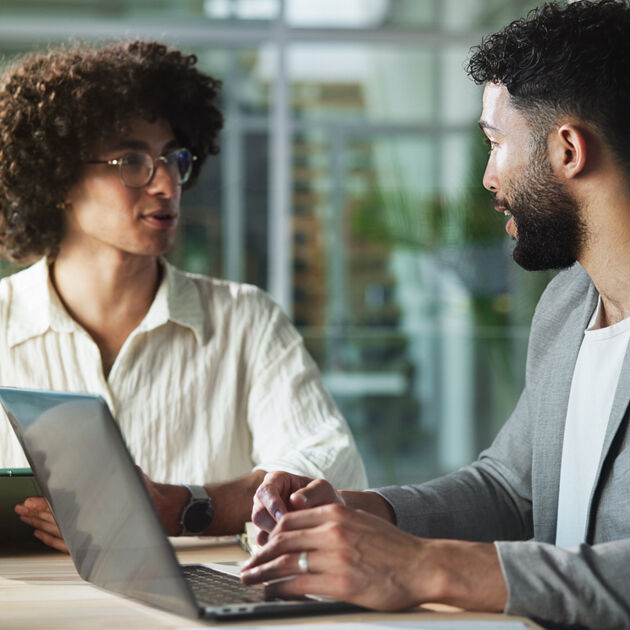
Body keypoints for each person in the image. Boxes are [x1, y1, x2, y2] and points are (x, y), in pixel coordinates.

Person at [240, 1, 630, 628]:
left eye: (496, 142)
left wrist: (428, 567)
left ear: (566, 150)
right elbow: (510, 489)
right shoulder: (567, 306)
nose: (486, 177)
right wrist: (361, 514)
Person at [0, 40, 366, 551]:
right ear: (58, 176)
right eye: (132, 160)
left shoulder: (245, 320)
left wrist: (185, 507)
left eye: (174, 158)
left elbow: (330, 470)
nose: (167, 183)